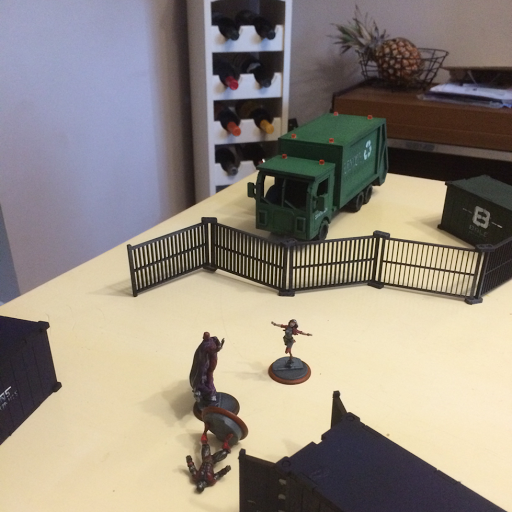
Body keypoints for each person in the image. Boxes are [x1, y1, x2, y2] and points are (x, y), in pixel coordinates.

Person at [189, 332, 225, 404]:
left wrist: (219, 344)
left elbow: (215, 341)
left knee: (209, 374)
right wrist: (220, 346)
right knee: (206, 375)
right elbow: (213, 350)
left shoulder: (210, 340)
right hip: (206, 363)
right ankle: (207, 393)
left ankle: (209, 392)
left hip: (210, 361)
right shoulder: (205, 345)